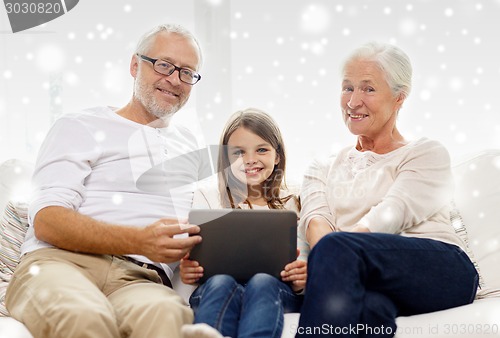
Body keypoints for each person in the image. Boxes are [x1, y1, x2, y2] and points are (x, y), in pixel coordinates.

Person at [6, 24, 208, 338]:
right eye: (164, 65)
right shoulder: (80, 125)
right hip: (61, 265)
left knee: (167, 316)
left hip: (141, 280)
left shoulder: (192, 148)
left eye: (187, 72)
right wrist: (140, 241)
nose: (174, 79)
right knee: (84, 317)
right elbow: (47, 220)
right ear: (134, 65)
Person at [296, 42, 479, 337]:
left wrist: (327, 260)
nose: (353, 102)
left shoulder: (425, 152)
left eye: (368, 89)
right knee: (370, 311)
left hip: (440, 269)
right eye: (347, 88)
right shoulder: (321, 166)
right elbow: (316, 221)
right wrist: (327, 264)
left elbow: (392, 213)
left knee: (335, 249)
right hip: (366, 277)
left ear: (399, 98)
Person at [180, 108, 308, 338]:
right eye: (238, 152)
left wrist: (301, 279)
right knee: (220, 282)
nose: (250, 160)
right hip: (217, 287)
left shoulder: (296, 201)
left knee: (262, 282)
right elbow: (195, 257)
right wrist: (190, 272)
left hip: (275, 290)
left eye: (261, 150)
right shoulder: (207, 196)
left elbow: (303, 263)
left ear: (277, 155)